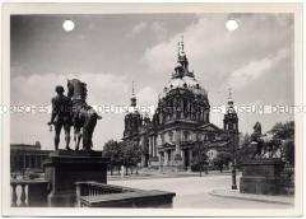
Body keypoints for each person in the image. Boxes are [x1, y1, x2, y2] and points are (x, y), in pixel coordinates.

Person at [48, 85, 72, 150]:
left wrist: (51, 120)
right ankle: (67, 146)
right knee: (67, 132)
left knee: (57, 133)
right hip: (67, 117)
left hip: (58, 118)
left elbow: (54, 111)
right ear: (63, 91)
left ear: (56, 91)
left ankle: (56, 148)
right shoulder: (68, 99)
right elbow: (70, 110)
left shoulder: (54, 99)